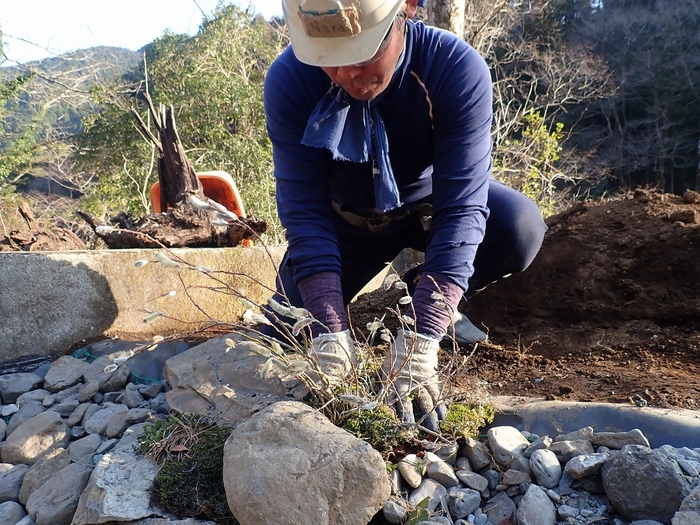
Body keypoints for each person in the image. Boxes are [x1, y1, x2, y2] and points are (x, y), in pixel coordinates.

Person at [263, 0, 547, 430]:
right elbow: (304, 212)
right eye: (329, 62)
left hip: (429, 210)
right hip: (347, 224)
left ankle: (415, 303)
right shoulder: (290, 80)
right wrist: (327, 326)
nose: (346, 75)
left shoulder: (452, 68)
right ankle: (346, 319)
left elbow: (463, 206)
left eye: (361, 55)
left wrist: (424, 332)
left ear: (407, 9)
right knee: (284, 326)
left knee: (517, 227)